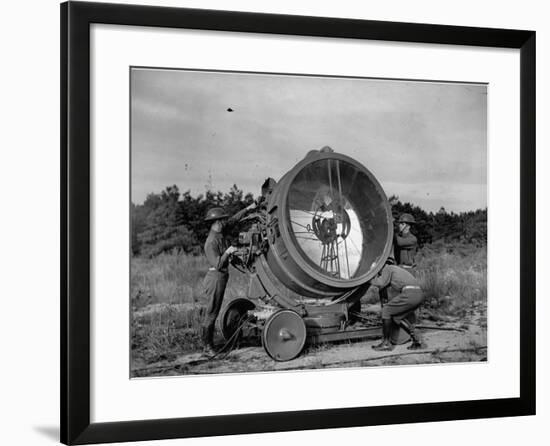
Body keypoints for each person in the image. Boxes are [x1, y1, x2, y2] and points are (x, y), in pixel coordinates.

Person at [201, 202, 256, 356]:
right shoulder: (210, 242)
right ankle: (207, 347)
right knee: (212, 312)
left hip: (221, 278)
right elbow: (218, 263)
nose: (225, 222)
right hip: (215, 279)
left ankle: (208, 345)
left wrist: (248, 209)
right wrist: (229, 251)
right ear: (216, 222)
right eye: (222, 220)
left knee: (214, 310)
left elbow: (233, 220)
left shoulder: (220, 231)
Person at [370, 257, 426, 351]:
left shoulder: (388, 268)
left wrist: (369, 279)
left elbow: (381, 283)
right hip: (418, 294)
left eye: (377, 271)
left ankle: (386, 343)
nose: (379, 274)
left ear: (380, 266)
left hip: (410, 293)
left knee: (386, 311)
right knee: (397, 317)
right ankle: (417, 341)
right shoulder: (395, 269)